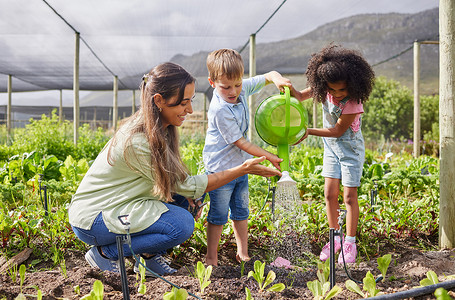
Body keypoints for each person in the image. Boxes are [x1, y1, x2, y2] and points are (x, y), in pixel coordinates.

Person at [68, 62, 281, 276]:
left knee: (187, 200)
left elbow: (178, 182)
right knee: (181, 224)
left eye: (191, 101)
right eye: (183, 103)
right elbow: (185, 185)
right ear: (159, 101)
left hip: (123, 202)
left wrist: (271, 75)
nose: (189, 110)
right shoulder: (138, 141)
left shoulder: (161, 127)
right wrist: (242, 169)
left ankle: (149, 259)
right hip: (94, 218)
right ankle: (106, 253)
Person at [203, 48, 291, 266]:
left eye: (238, 84)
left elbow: (268, 76)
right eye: (226, 87)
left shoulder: (239, 90)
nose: (234, 91)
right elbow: (240, 142)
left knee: (241, 212)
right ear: (212, 83)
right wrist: (269, 155)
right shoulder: (219, 109)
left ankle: (243, 253)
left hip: (242, 167)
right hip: (221, 171)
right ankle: (211, 257)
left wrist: (277, 79)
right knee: (218, 215)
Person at [292, 44, 375, 264]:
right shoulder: (323, 89)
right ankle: (334, 236)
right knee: (329, 194)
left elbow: (338, 130)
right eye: (332, 90)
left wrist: (307, 131)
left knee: (349, 197)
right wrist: (288, 89)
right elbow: (300, 96)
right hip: (331, 148)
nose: (337, 94)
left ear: (353, 84)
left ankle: (350, 242)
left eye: (342, 90)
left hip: (350, 151)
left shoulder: (353, 102)